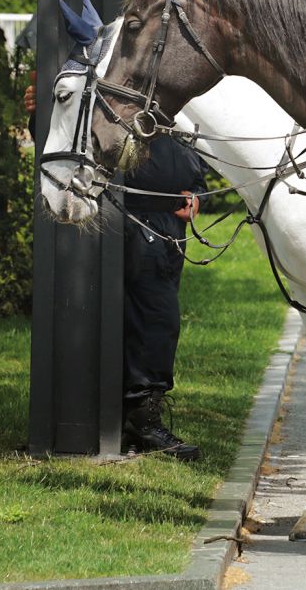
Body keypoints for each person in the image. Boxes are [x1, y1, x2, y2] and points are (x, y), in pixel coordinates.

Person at [24, 79, 207, 461]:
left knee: (158, 319)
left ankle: (141, 414)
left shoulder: (170, 81)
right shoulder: (117, 76)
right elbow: (75, 132)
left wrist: (195, 191)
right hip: (129, 217)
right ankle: (139, 419)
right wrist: (37, 115)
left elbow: (185, 146)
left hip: (167, 224)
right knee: (146, 316)